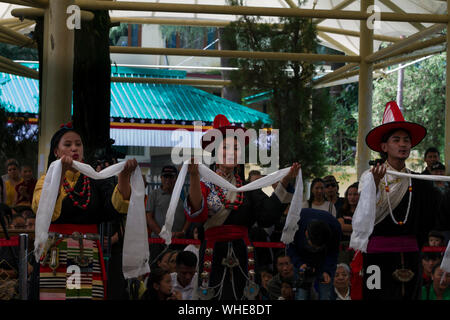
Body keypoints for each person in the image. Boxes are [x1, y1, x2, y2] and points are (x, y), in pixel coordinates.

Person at [185, 114, 299, 300]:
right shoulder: (204, 184)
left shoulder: (248, 188)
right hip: (212, 252)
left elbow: (266, 217)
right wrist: (194, 177)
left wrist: (284, 182)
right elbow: (197, 213)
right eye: (225, 148)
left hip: (243, 253)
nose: (231, 152)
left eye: (236, 148)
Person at [31, 122, 137, 300]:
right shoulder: (46, 179)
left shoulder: (95, 179)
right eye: (68, 144)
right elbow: (44, 211)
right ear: (56, 152)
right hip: (55, 253)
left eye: (78, 144)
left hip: (87, 252)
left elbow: (116, 207)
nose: (74, 148)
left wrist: (124, 178)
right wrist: (61, 173)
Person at [358, 101, 446, 300]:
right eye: (396, 140)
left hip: (410, 256)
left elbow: (438, 214)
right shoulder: (369, 178)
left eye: (406, 140)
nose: (403, 144)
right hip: (376, 256)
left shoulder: (420, 183)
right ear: (384, 146)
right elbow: (363, 218)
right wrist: (375, 185)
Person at [287, 208, 342, 300]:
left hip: (323, 260)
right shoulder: (295, 220)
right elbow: (290, 247)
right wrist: (299, 263)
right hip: (301, 258)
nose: (315, 250)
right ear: (306, 233)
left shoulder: (335, 227)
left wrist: (327, 271)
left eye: (319, 247)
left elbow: (333, 252)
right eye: (313, 247)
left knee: (326, 295)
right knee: (301, 296)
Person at [146, 165, 190, 266]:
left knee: (177, 270)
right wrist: (162, 234)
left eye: (171, 177)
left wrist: (183, 232)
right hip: (158, 241)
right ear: (161, 178)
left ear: (176, 179)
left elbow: (189, 216)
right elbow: (149, 217)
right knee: (156, 270)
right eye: (165, 176)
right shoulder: (154, 194)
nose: (168, 180)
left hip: (178, 241)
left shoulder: (183, 194)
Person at [336, 182, 359, 264]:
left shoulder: (363, 212)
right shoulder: (341, 210)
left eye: (355, 194)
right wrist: (357, 229)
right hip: (344, 247)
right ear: (346, 196)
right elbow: (341, 227)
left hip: (359, 247)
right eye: (350, 194)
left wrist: (348, 229)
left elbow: (364, 229)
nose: (352, 197)